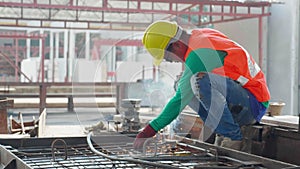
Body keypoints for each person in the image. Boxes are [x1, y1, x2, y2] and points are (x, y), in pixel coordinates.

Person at [133, 20, 270, 151]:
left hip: (253, 104)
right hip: (242, 98)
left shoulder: (198, 53)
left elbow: (179, 100)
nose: (172, 62)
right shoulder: (200, 36)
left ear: (177, 45)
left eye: (168, 58)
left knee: (197, 81)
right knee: (182, 83)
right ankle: (222, 131)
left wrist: (148, 131)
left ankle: (232, 137)